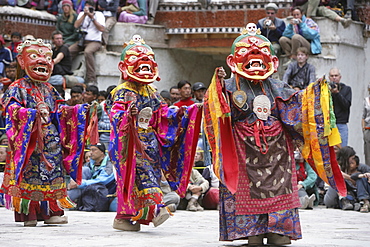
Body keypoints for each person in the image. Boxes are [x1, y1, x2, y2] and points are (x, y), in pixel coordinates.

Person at [203, 23, 346, 246]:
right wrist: (217, 88)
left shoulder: (278, 87)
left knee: (279, 230)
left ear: (273, 61)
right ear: (232, 62)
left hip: (278, 156)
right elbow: (217, 114)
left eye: (262, 53)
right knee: (253, 233)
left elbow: (298, 108)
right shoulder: (228, 86)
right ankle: (254, 231)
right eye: (246, 52)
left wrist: (316, 93)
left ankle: (278, 230)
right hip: (243, 155)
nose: (255, 56)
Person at [106, 35, 202, 231]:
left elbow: (163, 113)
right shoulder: (122, 91)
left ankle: (125, 219)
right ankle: (155, 210)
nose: (145, 65)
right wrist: (127, 115)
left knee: (148, 177)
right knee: (141, 178)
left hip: (150, 143)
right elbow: (114, 115)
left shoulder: (151, 91)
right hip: (130, 144)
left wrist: (186, 110)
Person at [0, 39, 89, 227]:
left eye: (47, 58)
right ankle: (29, 213)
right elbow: (10, 110)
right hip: (30, 142)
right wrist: (31, 114)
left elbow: (59, 110)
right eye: (34, 56)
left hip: (51, 144)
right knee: (30, 176)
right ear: (22, 61)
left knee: (52, 177)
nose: (42, 61)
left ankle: (51, 212)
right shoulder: (17, 87)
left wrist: (78, 111)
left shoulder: (49, 88)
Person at [68, 143, 115, 210]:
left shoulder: (109, 164)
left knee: (79, 183)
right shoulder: (89, 164)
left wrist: (79, 183)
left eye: (94, 150)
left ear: (102, 152)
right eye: (90, 150)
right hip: (88, 190)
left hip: (103, 193)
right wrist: (73, 182)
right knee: (83, 170)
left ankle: (66, 202)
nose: (90, 153)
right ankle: (66, 202)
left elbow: (102, 181)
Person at [69, 0, 105, 86]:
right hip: (83, 40)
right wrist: (85, 15)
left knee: (88, 52)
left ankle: (91, 78)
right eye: (86, 8)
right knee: (69, 50)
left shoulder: (99, 15)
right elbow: (76, 25)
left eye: (90, 8)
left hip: (95, 41)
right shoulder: (82, 14)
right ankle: (67, 70)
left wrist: (92, 18)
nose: (88, 10)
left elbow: (101, 29)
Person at [49, 31, 85, 96]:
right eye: (57, 39)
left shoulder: (64, 48)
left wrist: (47, 64)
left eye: (60, 38)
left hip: (63, 71)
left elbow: (58, 59)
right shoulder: (53, 50)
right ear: (53, 40)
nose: (59, 40)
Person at [329, 67, 351, 148]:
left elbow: (346, 105)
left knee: (343, 151)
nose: (334, 78)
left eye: (336, 75)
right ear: (329, 77)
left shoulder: (346, 89)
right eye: (332, 76)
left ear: (340, 77)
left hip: (341, 124)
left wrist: (337, 93)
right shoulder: (325, 90)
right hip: (329, 125)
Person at [362, 84, 370, 166]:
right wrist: (363, 129)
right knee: (368, 153)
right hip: (368, 128)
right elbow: (363, 116)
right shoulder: (366, 100)